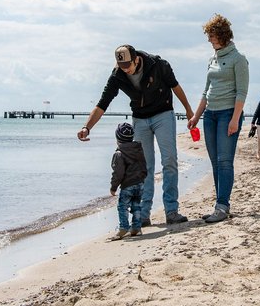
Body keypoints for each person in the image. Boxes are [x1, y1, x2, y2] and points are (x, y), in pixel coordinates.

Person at [77, 44, 194, 226]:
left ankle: (171, 211)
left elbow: (175, 86)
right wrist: (87, 127)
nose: (126, 71)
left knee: (169, 160)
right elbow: (102, 104)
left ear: (136, 59)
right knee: (143, 167)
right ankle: (144, 215)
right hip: (140, 119)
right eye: (122, 67)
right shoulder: (118, 74)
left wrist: (188, 109)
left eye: (128, 66)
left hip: (163, 114)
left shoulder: (158, 64)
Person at [188, 14, 249, 224]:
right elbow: (206, 91)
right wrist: (196, 116)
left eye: (211, 36)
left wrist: (235, 119)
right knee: (214, 163)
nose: (209, 40)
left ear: (222, 35)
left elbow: (242, 92)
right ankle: (219, 205)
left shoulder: (238, 59)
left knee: (225, 162)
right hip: (210, 116)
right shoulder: (212, 59)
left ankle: (223, 206)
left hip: (228, 114)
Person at [109, 122, 147, 240]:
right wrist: (142, 177)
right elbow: (143, 165)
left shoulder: (119, 154)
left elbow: (118, 173)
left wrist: (113, 187)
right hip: (139, 183)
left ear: (117, 138)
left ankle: (124, 227)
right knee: (136, 206)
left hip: (127, 185)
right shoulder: (138, 149)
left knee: (123, 206)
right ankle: (136, 227)